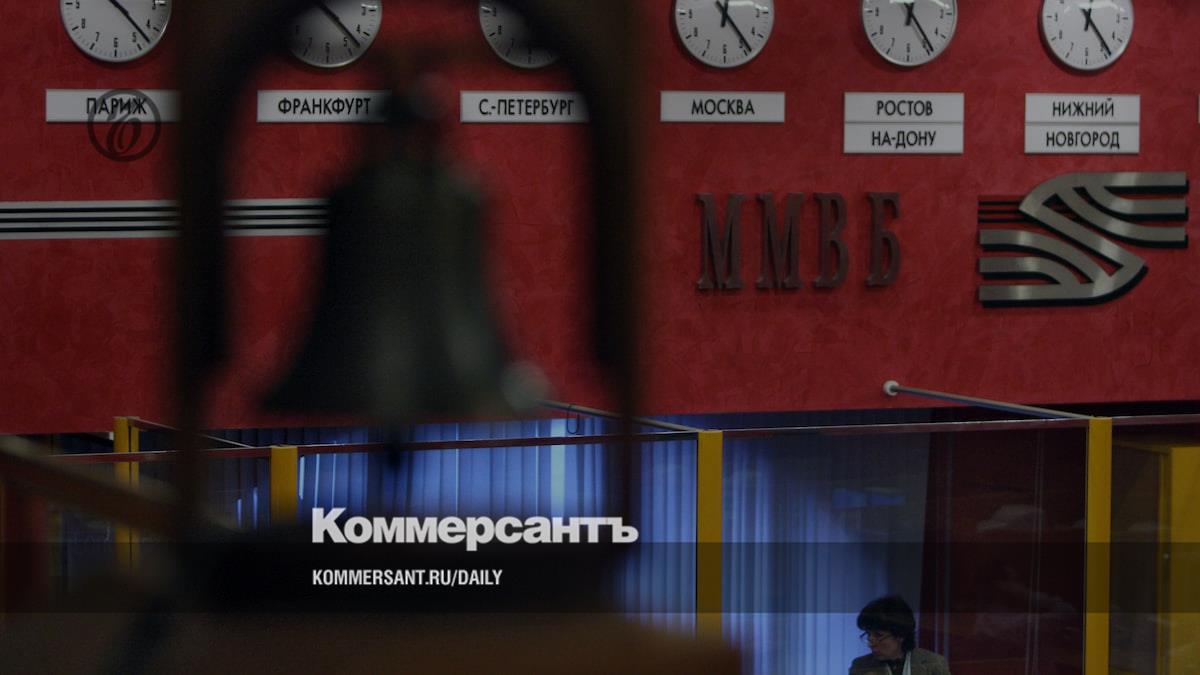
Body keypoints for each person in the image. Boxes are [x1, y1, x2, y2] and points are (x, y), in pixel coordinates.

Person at [850, 595, 950, 675]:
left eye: (879, 635)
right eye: (868, 634)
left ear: (900, 635)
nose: (870, 643)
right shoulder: (860, 666)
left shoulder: (933, 663)